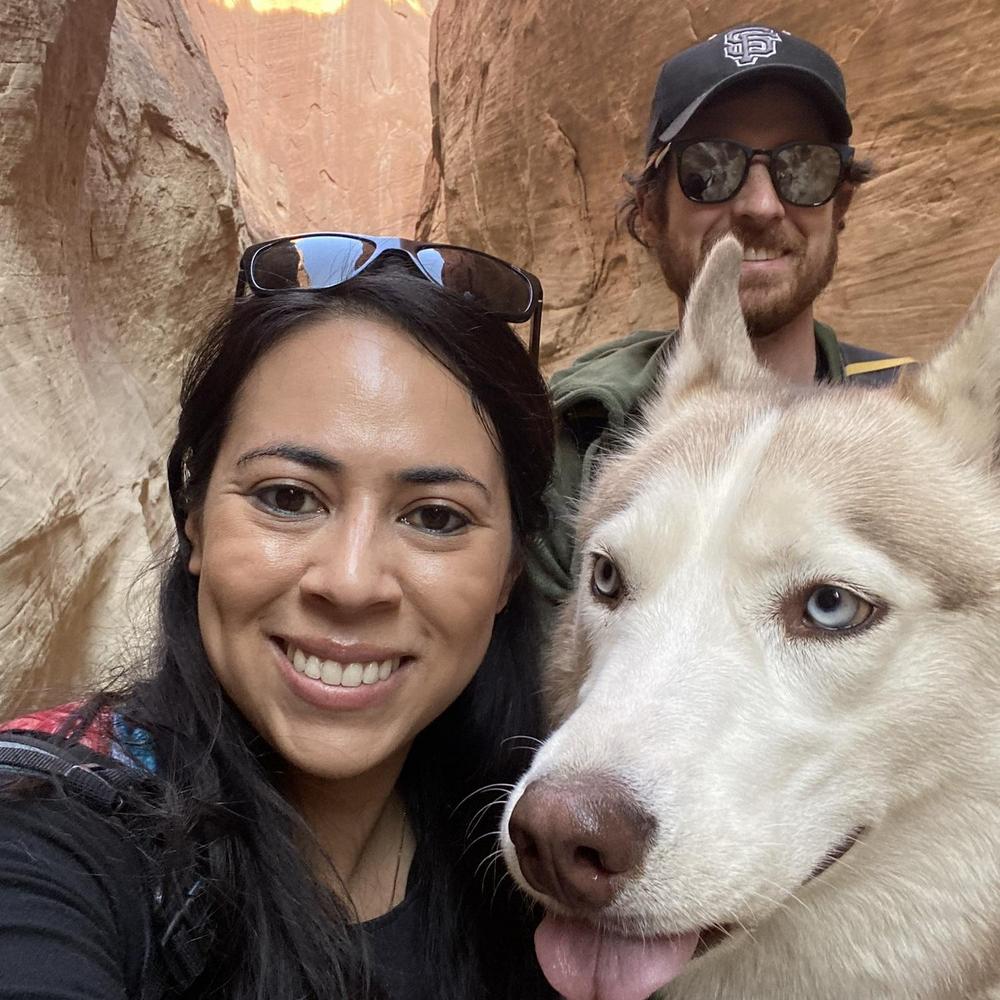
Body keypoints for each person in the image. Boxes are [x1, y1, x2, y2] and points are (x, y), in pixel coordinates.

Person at [0, 234, 557, 1000]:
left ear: (509, 572)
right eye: (288, 497)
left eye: (435, 516)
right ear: (195, 519)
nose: (351, 582)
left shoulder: (537, 854)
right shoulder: (50, 831)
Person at [528, 25, 917, 608]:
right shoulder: (576, 440)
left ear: (840, 205)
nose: (761, 206)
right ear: (650, 211)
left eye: (804, 168)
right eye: (709, 169)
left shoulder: (921, 432)